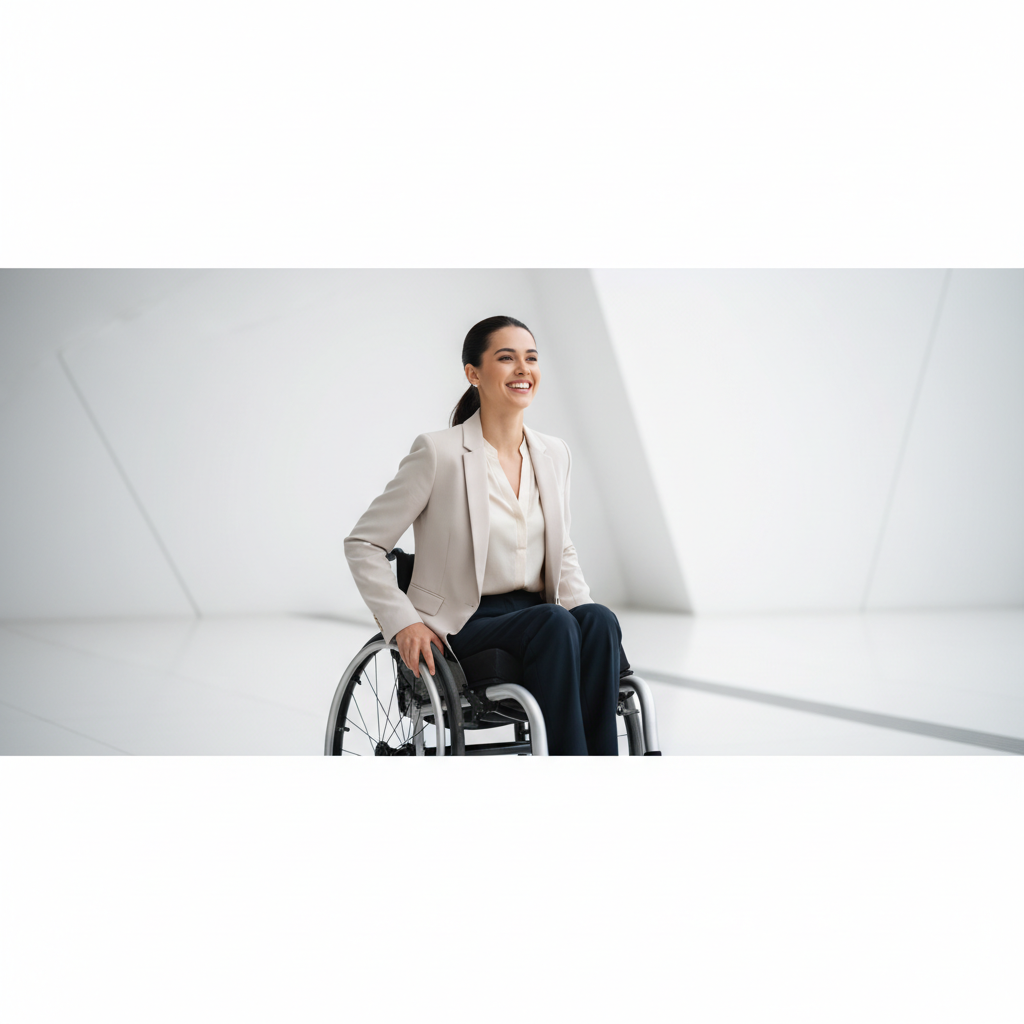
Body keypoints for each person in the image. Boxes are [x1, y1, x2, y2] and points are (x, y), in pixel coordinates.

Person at [344, 315, 622, 755]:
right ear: (473, 374)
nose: (523, 369)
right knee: (555, 624)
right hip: (466, 622)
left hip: (539, 616)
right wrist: (404, 623)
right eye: (506, 358)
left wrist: (584, 617)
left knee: (599, 620)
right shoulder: (438, 452)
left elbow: (561, 547)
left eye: (531, 358)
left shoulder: (554, 454)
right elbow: (364, 544)